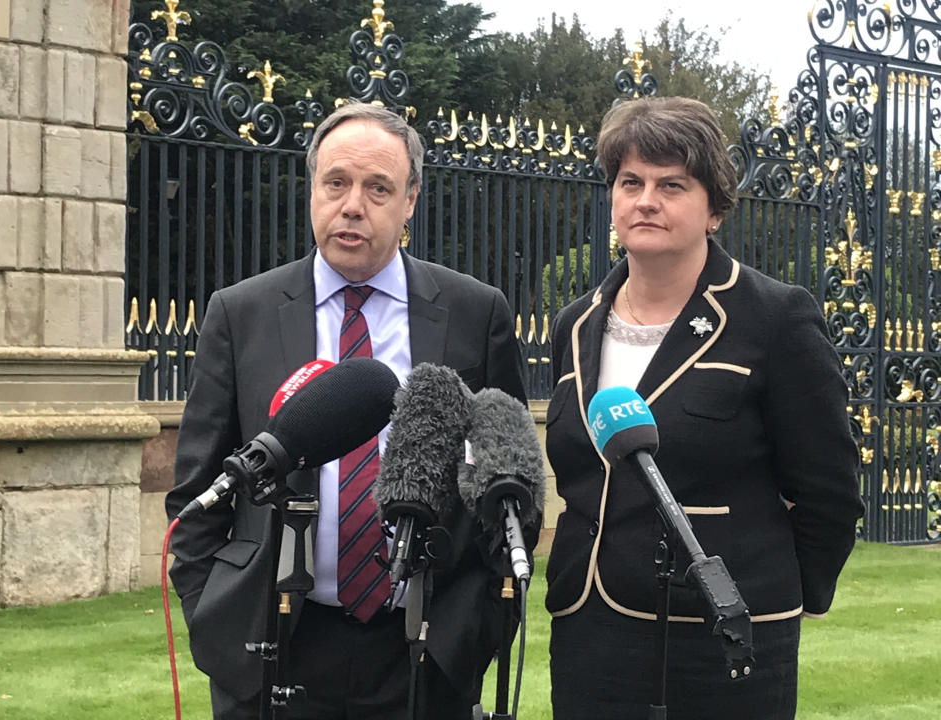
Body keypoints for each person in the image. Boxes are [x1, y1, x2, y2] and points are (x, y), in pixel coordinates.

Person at [166, 101, 527, 720]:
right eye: (336, 183)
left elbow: (510, 486)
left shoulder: (476, 313)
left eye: (377, 187)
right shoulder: (241, 313)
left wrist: (476, 628)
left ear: (411, 198)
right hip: (275, 640)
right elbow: (198, 491)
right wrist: (214, 616)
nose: (352, 205)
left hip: (424, 648)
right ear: (313, 189)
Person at [544, 96, 864, 720]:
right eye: (630, 181)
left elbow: (829, 487)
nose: (646, 200)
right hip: (588, 633)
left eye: (672, 185)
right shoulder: (574, 324)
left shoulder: (774, 317)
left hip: (721, 642)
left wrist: (788, 597)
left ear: (714, 208)